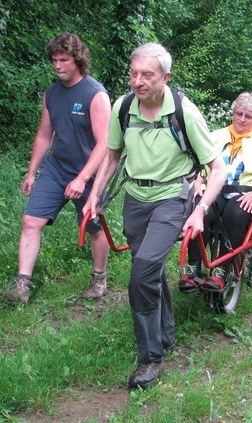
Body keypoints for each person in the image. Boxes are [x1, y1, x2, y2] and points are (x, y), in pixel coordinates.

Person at [84, 42, 225, 390]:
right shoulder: (124, 107)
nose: (138, 81)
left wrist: (200, 211)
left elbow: (217, 168)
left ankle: (150, 359)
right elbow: (113, 155)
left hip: (172, 198)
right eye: (133, 73)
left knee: (142, 271)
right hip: (135, 198)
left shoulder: (184, 111)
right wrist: (95, 195)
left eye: (147, 74)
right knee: (149, 266)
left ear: (165, 77)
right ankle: (166, 333)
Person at [0, 32, 111, 305]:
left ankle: (99, 279)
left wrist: (83, 179)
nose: (58, 65)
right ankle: (22, 285)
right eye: (54, 60)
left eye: (64, 60)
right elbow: (44, 135)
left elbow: (105, 144)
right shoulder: (51, 93)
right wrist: (31, 171)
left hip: (90, 172)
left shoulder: (95, 95)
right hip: (56, 169)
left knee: (94, 227)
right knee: (30, 221)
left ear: (78, 60)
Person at [179, 92, 252, 292]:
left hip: (245, 194)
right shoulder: (216, 136)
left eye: (248, 116)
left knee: (235, 212)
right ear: (233, 113)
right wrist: (198, 183)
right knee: (202, 210)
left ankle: (221, 271)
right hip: (215, 189)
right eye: (238, 114)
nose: (242, 119)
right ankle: (193, 269)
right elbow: (199, 164)